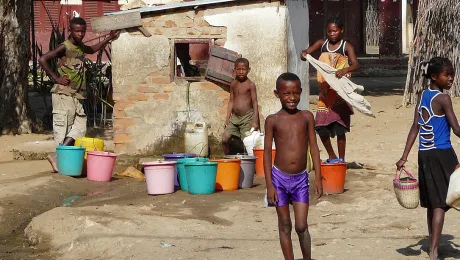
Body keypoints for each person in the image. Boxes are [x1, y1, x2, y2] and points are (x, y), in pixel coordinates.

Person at [396, 57, 460, 260]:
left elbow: (415, 127)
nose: (451, 78)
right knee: (442, 203)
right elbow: (457, 129)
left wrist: (404, 157)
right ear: (434, 77)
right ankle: (434, 250)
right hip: (442, 154)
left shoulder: (423, 95)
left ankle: (433, 245)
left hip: (424, 154)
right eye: (446, 75)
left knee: (433, 202)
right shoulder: (443, 99)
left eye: (452, 74)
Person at [39, 17, 119, 172]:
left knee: (80, 128)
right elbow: (43, 59)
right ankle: (59, 158)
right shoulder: (64, 47)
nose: (80, 34)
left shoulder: (80, 46)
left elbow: (93, 49)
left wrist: (110, 37)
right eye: (77, 31)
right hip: (63, 94)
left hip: (77, 95)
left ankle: (58, 156)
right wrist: (56, 78)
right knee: (64, 128)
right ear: (71, 30)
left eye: (83, 31)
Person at [264, 73, 323, 260]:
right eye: (286, 93)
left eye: (296, 93)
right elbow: (266, 153)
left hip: (300, 179)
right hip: (279, 179)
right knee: (285, 224)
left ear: (301, 93)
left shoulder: (306, 117)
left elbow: (314, 148)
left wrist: (318, 178)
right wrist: (269, 186)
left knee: (301, 226)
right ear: (277, 94)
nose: (292, 98)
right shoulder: (272, 120)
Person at [300, 18, 359, 163]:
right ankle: (332, 155)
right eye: (329, 31)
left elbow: (356, 65)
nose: (332, 34)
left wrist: (345, 69)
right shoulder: (322, 44)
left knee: (340, 129)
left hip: (340, 94)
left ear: (342, 31)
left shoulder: (346, 46)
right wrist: (304, 54)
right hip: (325, 95)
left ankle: (342, 159)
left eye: (335, 31)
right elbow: (306, 53)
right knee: (320, 126)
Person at [222, 58, 259, 155]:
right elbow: (231, 101)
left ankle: (249, 164)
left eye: (244, 69)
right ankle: (227, 159)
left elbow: (255, 103)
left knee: (246, 142)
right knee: (225, 138)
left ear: (248, 70)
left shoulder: (250, 85)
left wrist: (255, 121)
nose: (241, 72)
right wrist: (227, 118)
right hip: (235, 118)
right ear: (234, 70)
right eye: (239, 69)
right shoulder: (233, 83)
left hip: (247, 118)